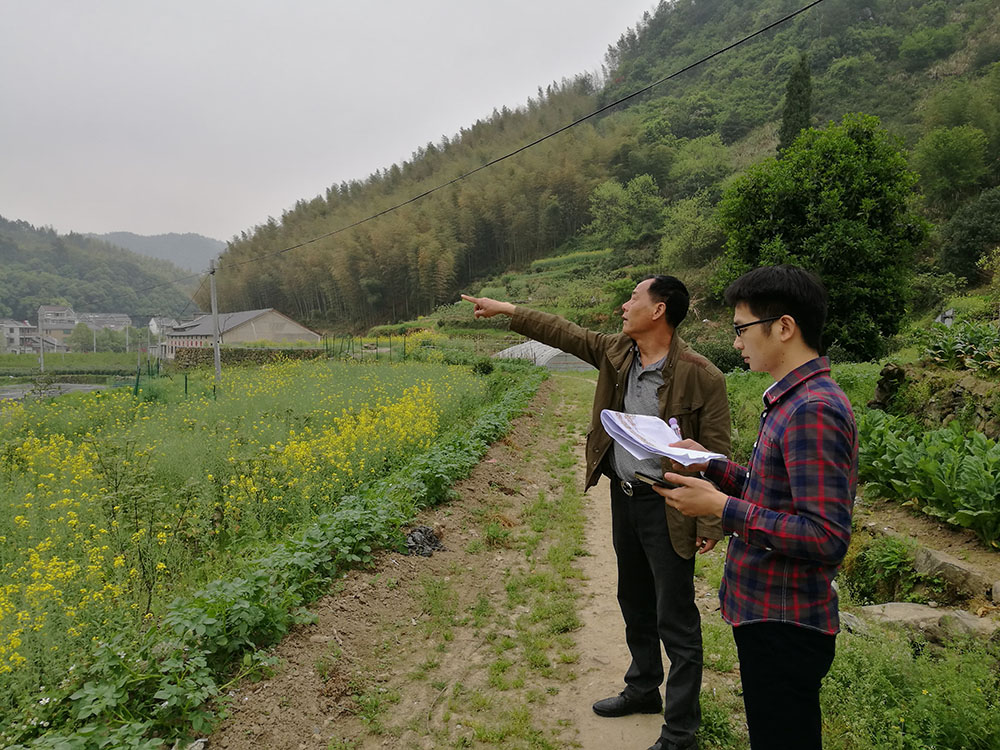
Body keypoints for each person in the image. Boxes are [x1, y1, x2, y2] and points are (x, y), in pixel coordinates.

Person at [462, 276, 731, 750]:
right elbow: (562, 331)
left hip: (671, 504)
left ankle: (681, 731)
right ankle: (643, 688)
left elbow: (716, 452)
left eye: (634, 298)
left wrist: (710, 521)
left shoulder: (701, 374)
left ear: (659, 310)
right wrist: (507, 310)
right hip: (624, 496)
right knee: (633, 600)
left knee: (676, 618)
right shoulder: (617, 352)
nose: (624, 305)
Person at [653, 265, 858, 750]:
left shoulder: (813, 409)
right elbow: (771, 491)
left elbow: (826, 536)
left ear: (783, 327)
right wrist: (710, 463)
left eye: (742, 328)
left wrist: (722, 507)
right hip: (767, 613)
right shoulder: (789, 400)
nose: (737, 341)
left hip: (786, 622)